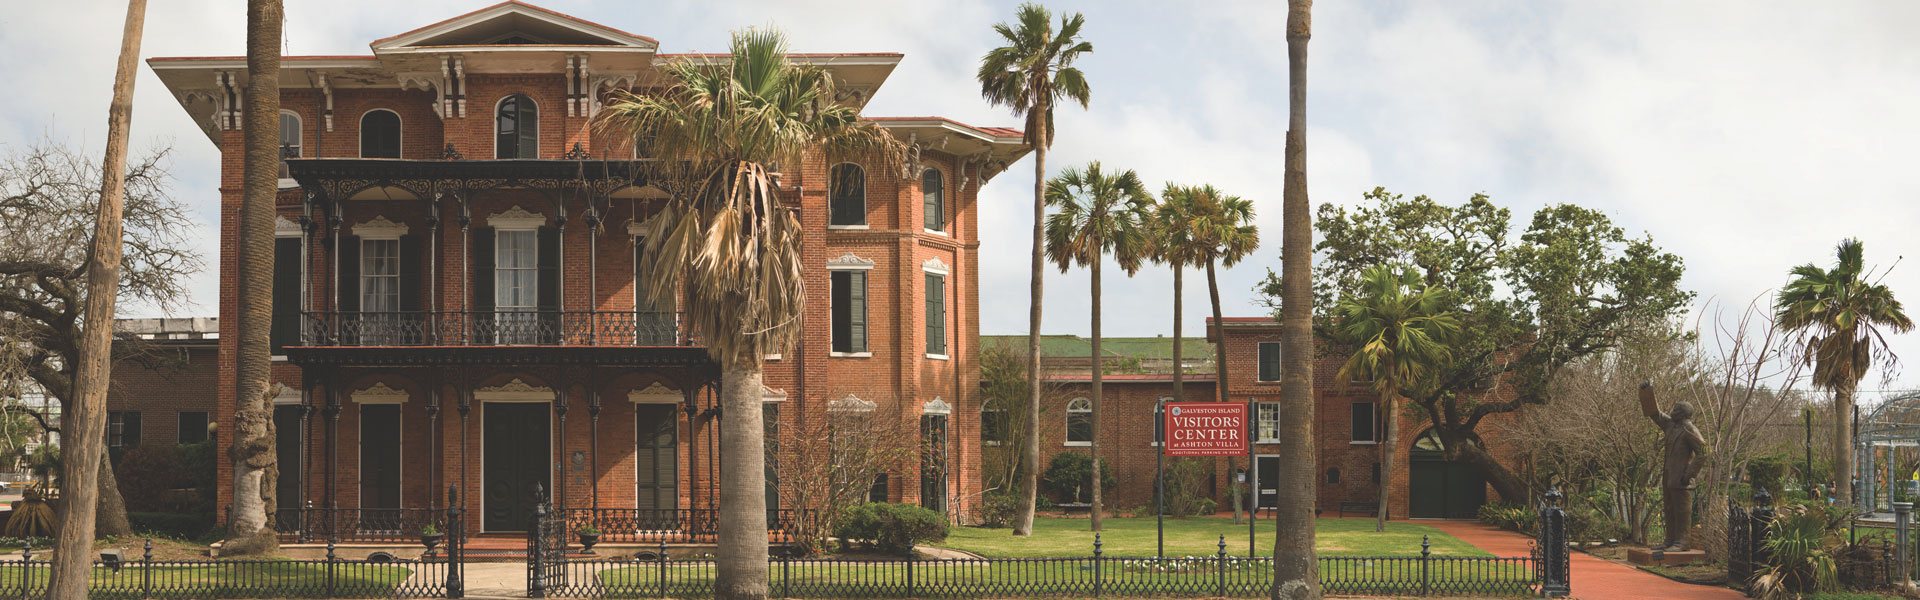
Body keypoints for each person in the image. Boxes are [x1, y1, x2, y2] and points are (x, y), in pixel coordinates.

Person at [1638, 381, 1708, 552]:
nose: (1672, 411)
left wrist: (1689, 474)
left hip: (1682, 480)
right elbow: (1655, 413)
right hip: (1669, 477)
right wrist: (1647, 393)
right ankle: (1670, 540)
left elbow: (1704, 452)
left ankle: (1683, 542)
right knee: (1669, 510)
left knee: (1681, 513)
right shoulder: (1671, 426)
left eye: (1676, 410)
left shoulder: (1689, 430)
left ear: (1683, 414)